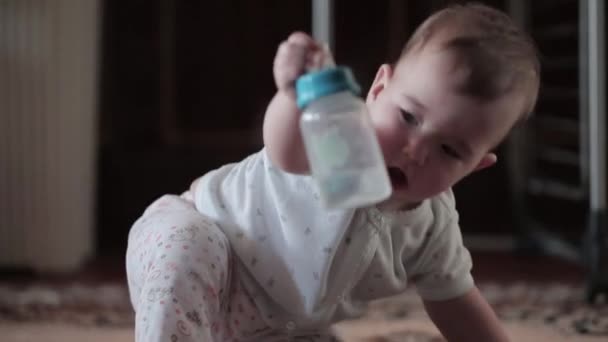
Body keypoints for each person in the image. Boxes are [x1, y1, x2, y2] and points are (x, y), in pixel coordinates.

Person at [126, 3, 540, 341]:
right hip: (204, 242)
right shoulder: (340, 133)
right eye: (409, 117)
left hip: (280, 327)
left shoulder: (432, 227)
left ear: (476, 167)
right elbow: (285, 149)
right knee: (187, 247)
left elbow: (459, 306)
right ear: (379, 89)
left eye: (449, 150)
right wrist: (297, 95)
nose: (416, 151)